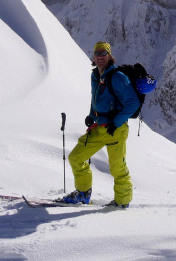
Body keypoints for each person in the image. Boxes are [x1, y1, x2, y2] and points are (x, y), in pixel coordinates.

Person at [58, 41, 140, 207]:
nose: (100, 56)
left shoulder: (118, 77)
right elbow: (95, 98)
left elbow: (133, 103)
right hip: (99, 128)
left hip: (115, 130)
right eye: (98, 53)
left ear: (110, 56)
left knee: (117, 168)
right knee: (76, 157)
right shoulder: (95, 75)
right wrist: (91, 115)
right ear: (93, 57)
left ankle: (122, 202)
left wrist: (116, 122)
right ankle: (83, 193)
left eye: (104, 53)